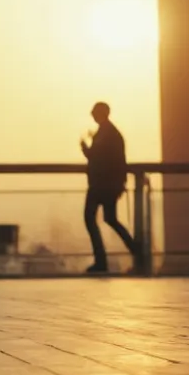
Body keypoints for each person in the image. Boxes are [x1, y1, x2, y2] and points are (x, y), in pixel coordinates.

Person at [81, 102, 140, 274]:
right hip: (109, 184)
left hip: (101, 184)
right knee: (110, 219)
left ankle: (101, 260)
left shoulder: (106, 134)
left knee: (90, 217)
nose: (91, 114)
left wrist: (85, 147)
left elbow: (96, 157)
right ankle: (136, 250)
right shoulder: (110, 132)